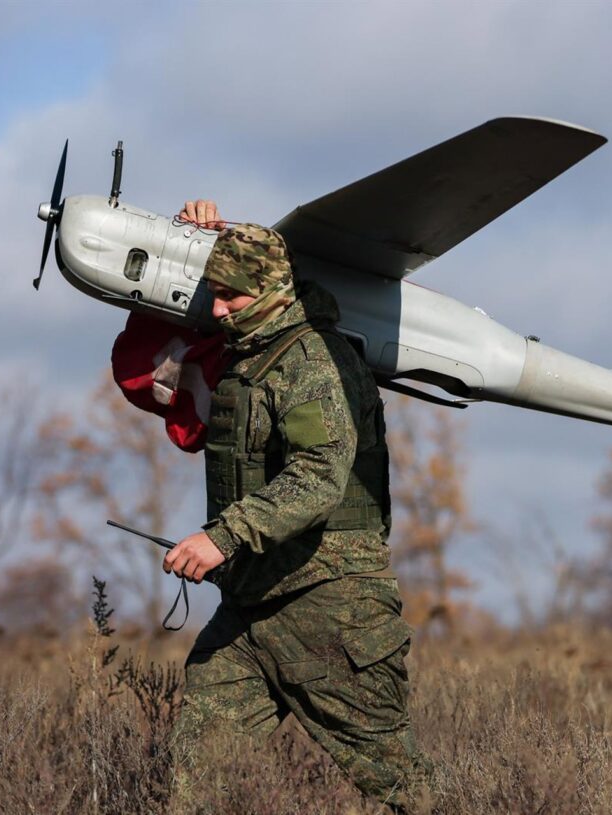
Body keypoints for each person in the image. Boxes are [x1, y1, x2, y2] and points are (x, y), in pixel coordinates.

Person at [162, 200, 426, 811]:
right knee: (196, 788)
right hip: (252, 608)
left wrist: (221, 538)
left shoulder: (310, 360)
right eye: (213, 292)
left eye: (231, 295)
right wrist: (189, 236)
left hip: (330, 608)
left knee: (406, 791)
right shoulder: (250, 352)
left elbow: (318, 476)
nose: (218, 308)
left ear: (271, 292)